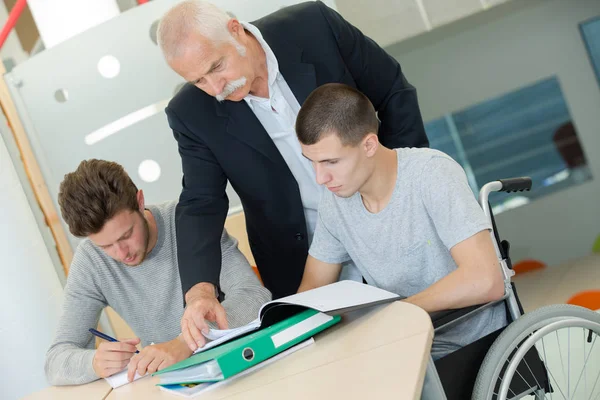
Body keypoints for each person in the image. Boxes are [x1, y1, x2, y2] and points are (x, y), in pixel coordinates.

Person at [156, 0, 429, 351]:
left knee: (421, 332)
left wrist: (407, 187)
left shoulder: (313, 26)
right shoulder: (190, 113)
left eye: (217, 66)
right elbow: (200, 202)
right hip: (305, 256)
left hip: (388, 215)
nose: (214, 87)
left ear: (235, 30)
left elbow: (393, 92)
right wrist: (199, 292)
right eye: (198, 80)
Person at [295, 83, 506, 359]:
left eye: (331, 162)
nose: (320, 178)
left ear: (369, 144)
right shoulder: (335, 204)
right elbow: (313, 288)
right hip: (405, 342)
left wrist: (397, 314)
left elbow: (486, 279)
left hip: (469, 341)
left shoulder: (431, 174)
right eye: (313, 163)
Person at [45, 159, 271, 385]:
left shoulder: (191, 224)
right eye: (106, 246)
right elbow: (55, 362)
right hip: (174, 385)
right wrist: (94, 362)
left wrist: (185, 343)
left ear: (140, 201)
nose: (122, 253)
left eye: (126, 235)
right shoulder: (90, 261)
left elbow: (254, 297)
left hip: (239, 368)